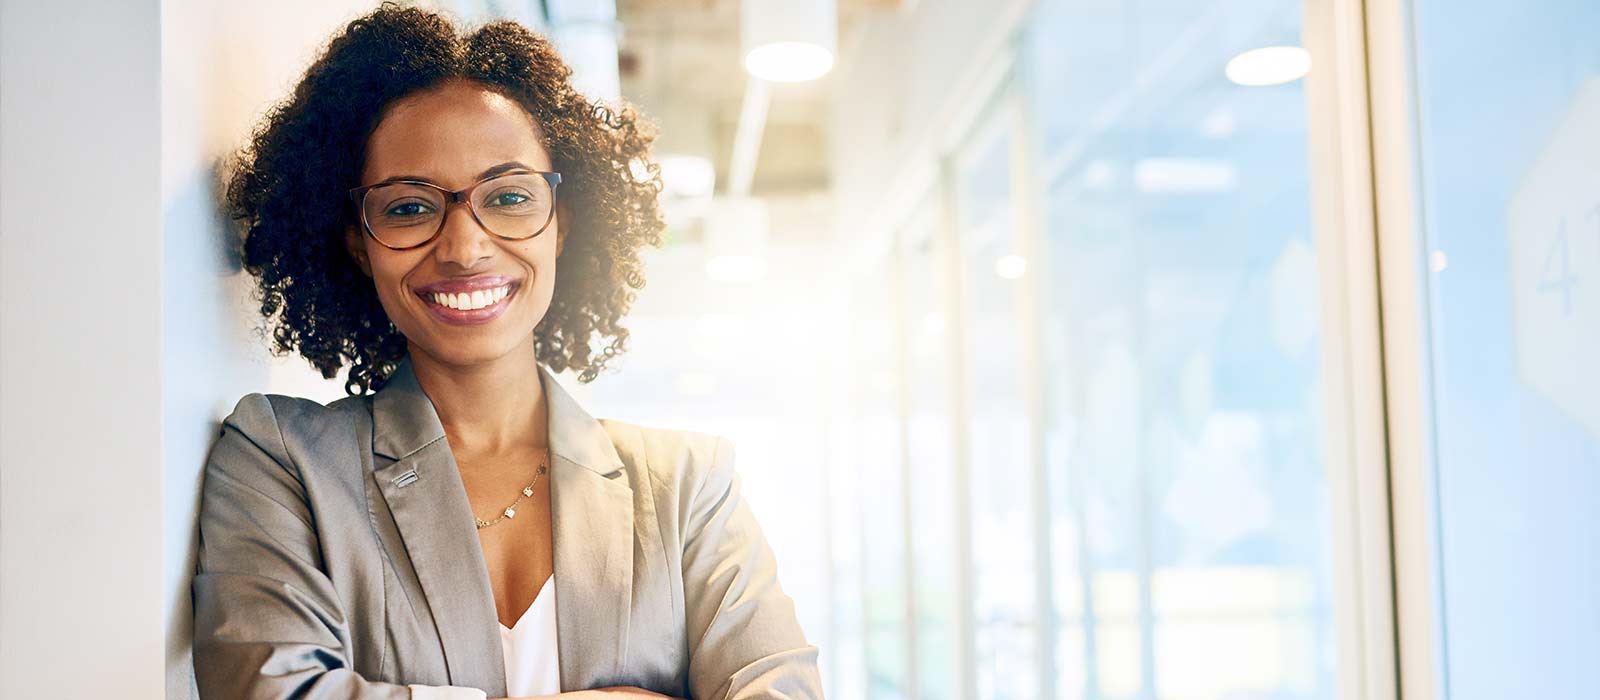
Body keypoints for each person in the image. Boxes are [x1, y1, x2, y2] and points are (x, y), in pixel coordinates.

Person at [191, 5, 823, 699]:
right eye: (408, 207)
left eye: (510, 196)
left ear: (562, 225)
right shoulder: (282, 460)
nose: (464, 247)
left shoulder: (687, 487)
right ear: (355, 240)